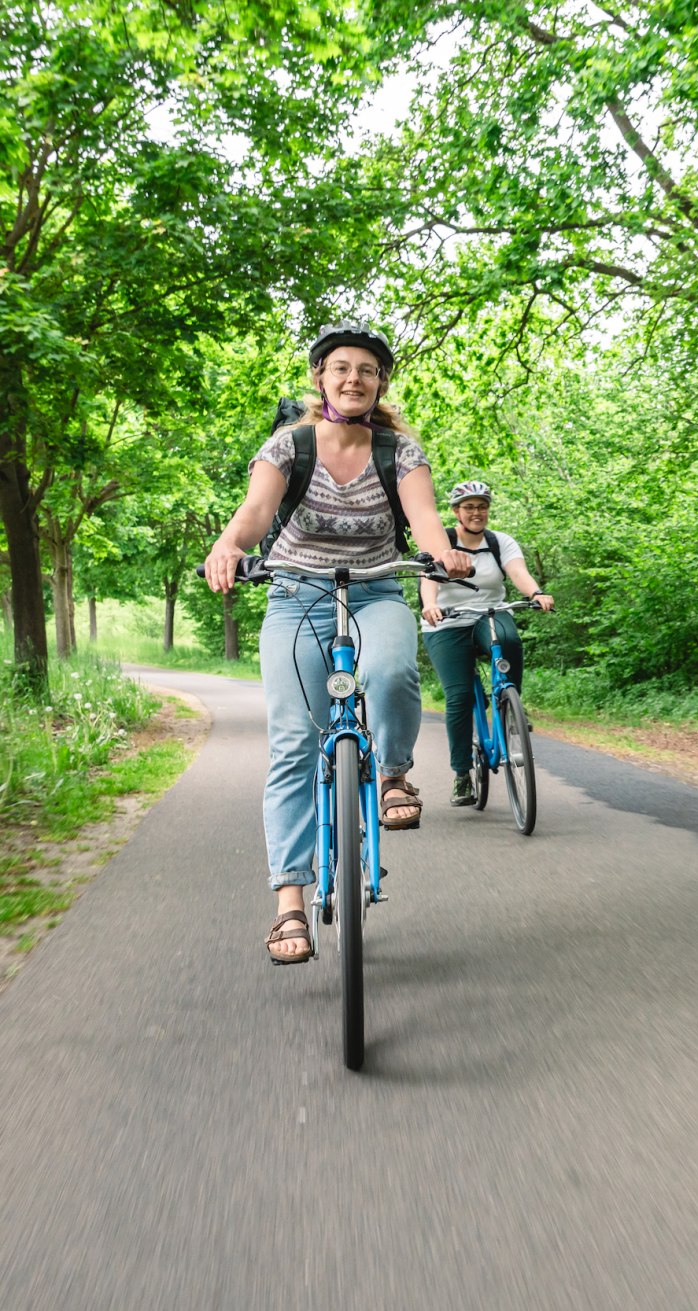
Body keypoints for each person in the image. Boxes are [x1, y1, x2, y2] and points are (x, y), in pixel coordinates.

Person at [204, 320, 469, 962]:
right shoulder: (288, 446)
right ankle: (290, 903)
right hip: (296, 593)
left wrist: (444, 555)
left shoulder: (397, 452)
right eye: (341, 368)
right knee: (295, 742)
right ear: (320, 378)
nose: (354, 379)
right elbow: (257, 513)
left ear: (381, 384)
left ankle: (394, 776)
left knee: (391, 673)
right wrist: (229, 544)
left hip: (377, 588)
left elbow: (425, 519)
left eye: (368, 371)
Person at [420, 481, 554, 806]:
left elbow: (518, 572)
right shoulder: (444, 542)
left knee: (508, 638)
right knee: (460, 695)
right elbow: (428, 580)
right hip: (447, 622)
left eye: (482, 506)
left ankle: (511, 709)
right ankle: (462, 775)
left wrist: (534, 594)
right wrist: (430, 604)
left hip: (489, 613)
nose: (476, 513)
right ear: (456, 512)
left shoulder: (499, 542)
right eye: (469, 507)